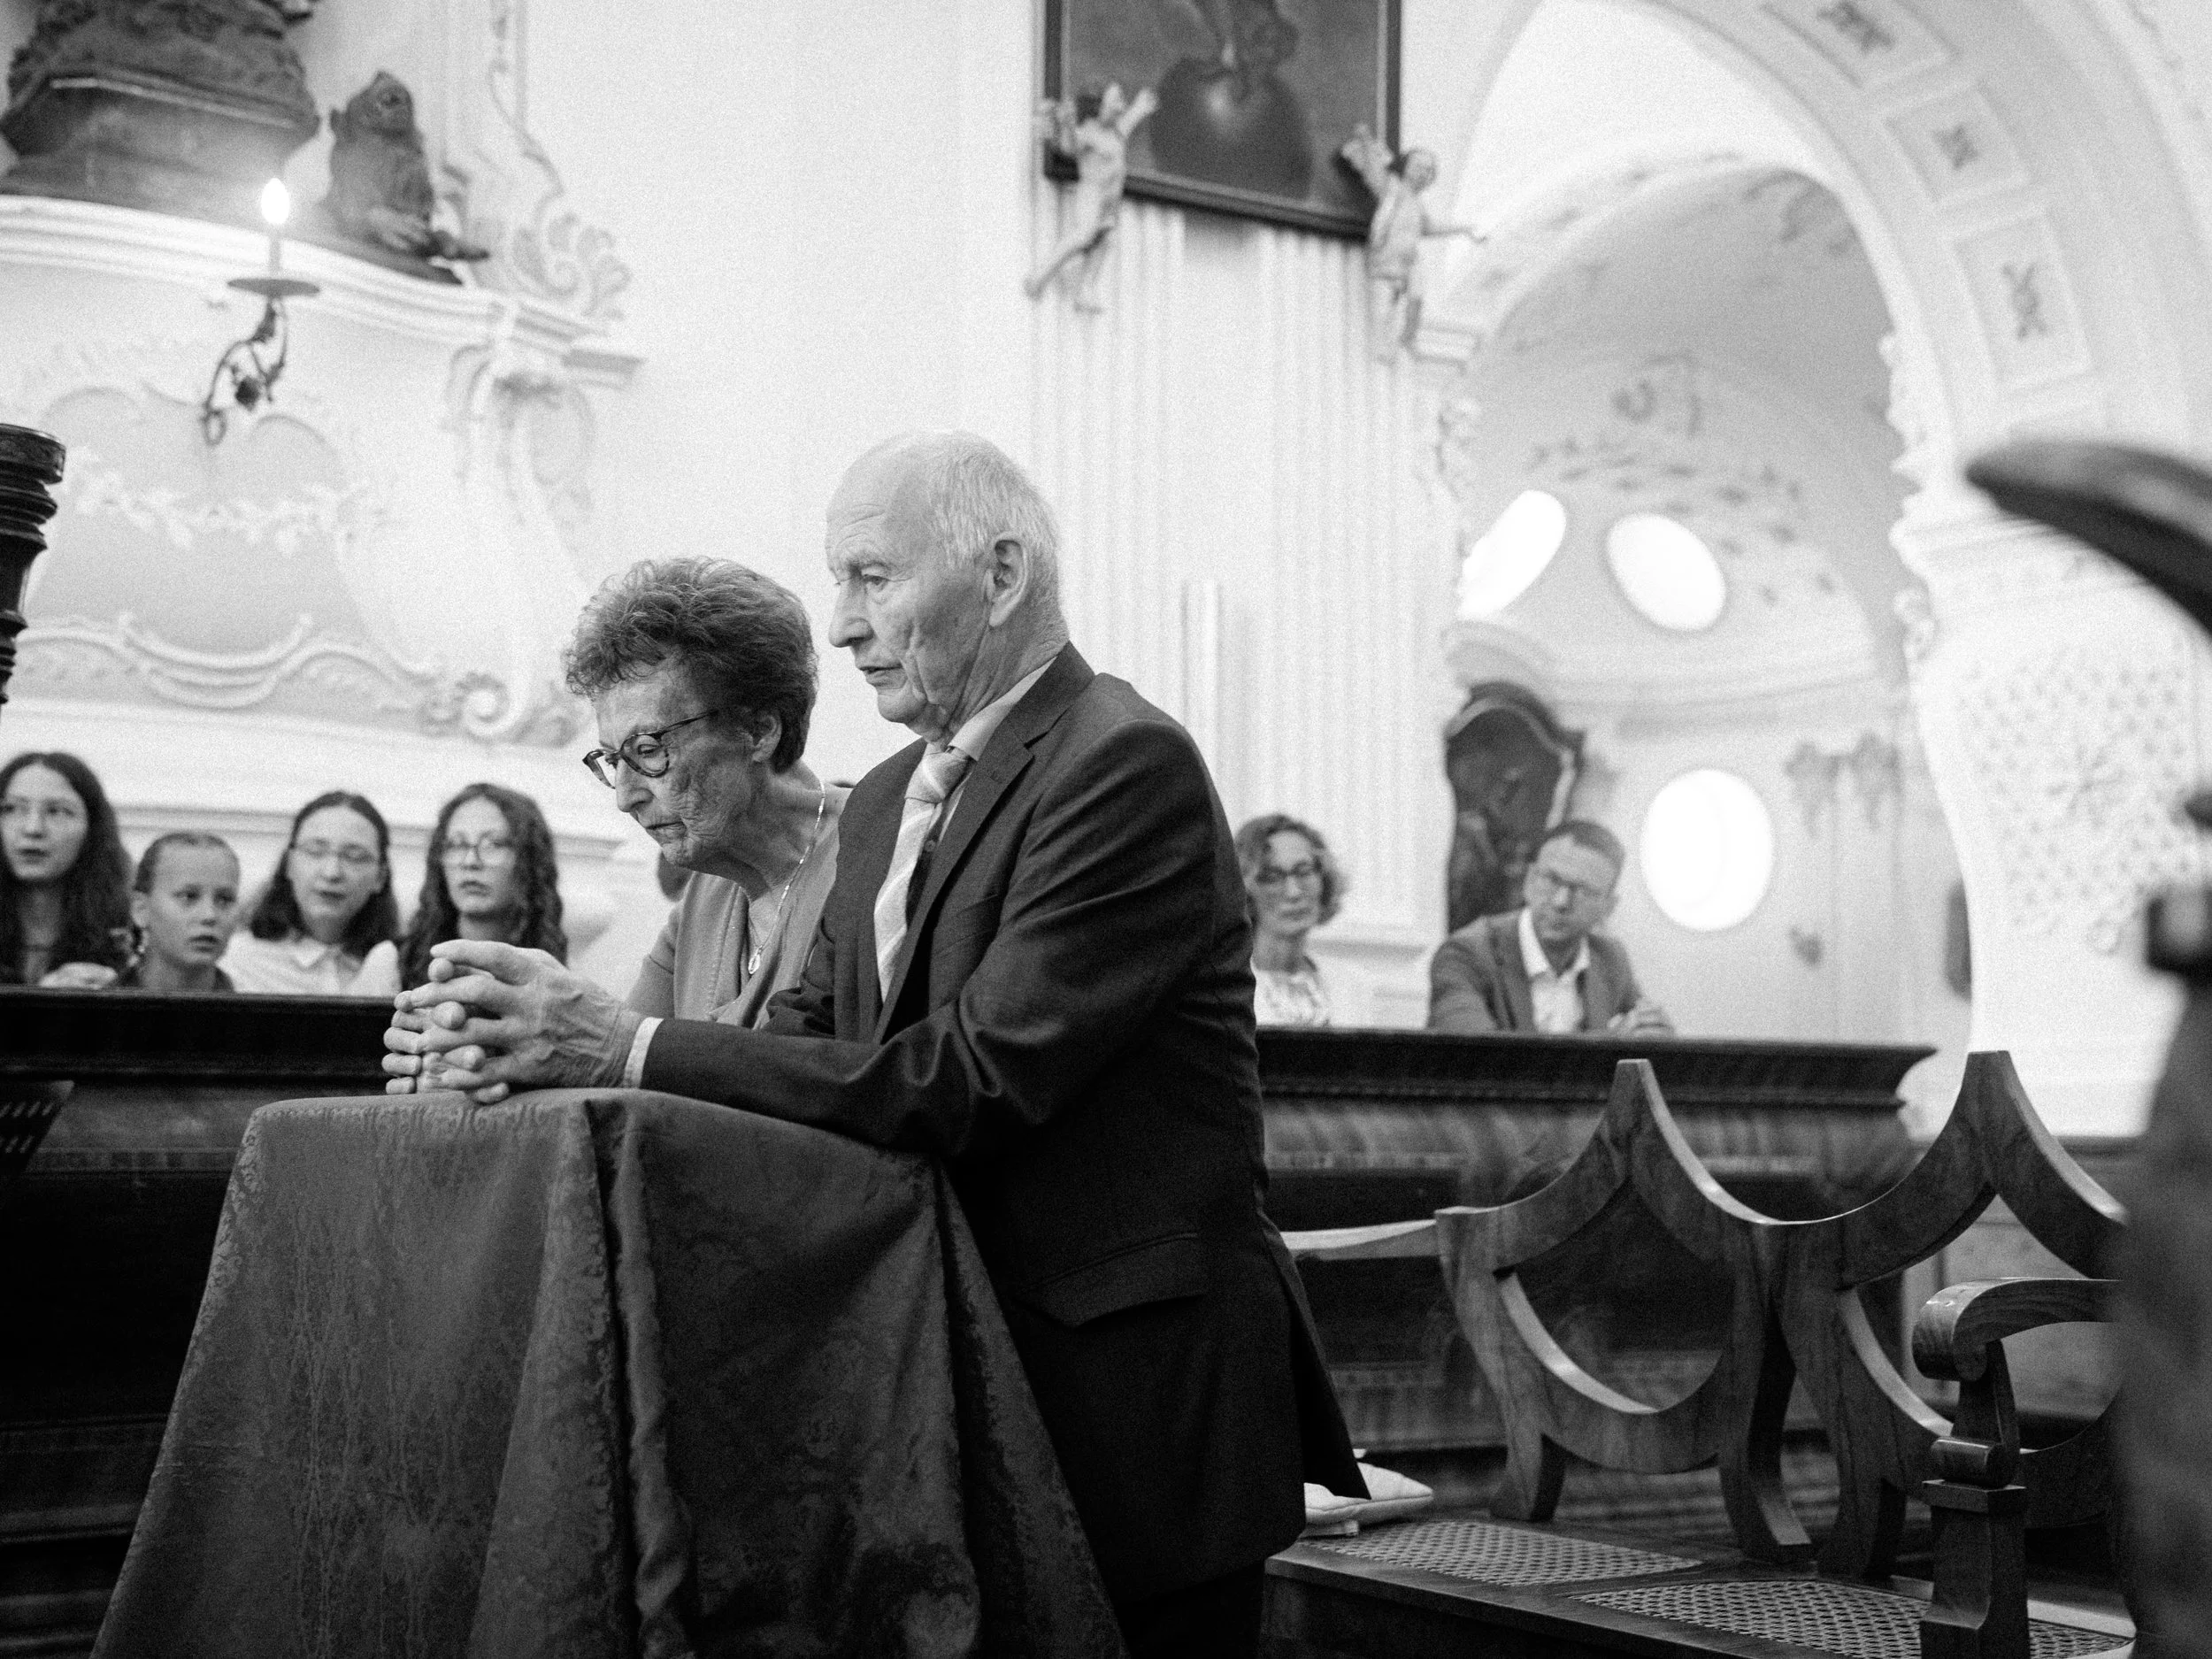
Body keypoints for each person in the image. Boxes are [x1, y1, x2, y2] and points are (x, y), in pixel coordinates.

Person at [384, 431, 1362, 1655]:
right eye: (838, 580)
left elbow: (973, 1077)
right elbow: (796, 1052)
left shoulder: (1124, 761)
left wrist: (617, 1047)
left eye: (870, 576)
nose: (839, 625)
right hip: (948, 1375)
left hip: (1124, 1397)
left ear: (1001, 575)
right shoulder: (898, 790)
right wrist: (525, 1059)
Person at [572, 557, 846, 1026]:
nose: (626, 796)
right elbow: (622, 1063)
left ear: (758, 730)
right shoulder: (705, 896)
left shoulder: (875, 855)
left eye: (649, 749)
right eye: (615, 761)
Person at [1427, 818, 1674, 1036]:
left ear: (1607, 907)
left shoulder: (1610, 960)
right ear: (1529, 880)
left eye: (1583, 891)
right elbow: (1477, 1060)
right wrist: (1611, 1045)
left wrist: (1653, 1038)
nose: (1561, 902)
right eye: (1552, 880)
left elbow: (1641, 1041)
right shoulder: (1465, 954)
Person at [224, 791, 401, 997]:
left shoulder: (401, 965)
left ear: (380, 877)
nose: (332, 872)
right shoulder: (235, 961)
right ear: (289, 863)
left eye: (354, 856)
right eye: (315, 851)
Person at [398, 784, 568, 989]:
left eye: (493, 844)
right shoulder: (394, 964)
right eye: (456, 844)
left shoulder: (560, 972)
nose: (470, 862)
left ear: (529, 860)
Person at [1339, 125, 1481, 357]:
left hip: (1408, 260)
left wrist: (1464, 229)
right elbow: (1374, 172)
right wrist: (1365, 141)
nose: (1423, 174)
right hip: (1387, 257)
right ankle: (1382, 345)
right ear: (1405, 168)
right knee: (1384, 303)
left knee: (1417, 294)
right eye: (1418, 167)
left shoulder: (1416, 203)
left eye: (1428, 170)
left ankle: (1408, 336)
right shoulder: (1393, 189)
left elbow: (1428, 227)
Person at [1, 750, 132, 987]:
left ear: (92, 829)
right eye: (12, 809)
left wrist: (124, 992)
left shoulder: (131, 937)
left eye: (57, 811)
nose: (33, 828)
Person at [1024, 81, 1158, 312]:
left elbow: (1130, 121)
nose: (1120, 106)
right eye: (1115, 100)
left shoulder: (1116, 132)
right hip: (1092, 194)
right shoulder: (1088, 133)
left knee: (1105, 240)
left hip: (1109, 201)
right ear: (1099, 107)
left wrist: (1140, 107)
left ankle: (1085, 291)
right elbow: (1069, 147)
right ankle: (1040, 276)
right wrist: (1065, 123)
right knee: (1083, 236)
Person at [1237, 811, 1348, 1026]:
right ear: (1246, 891)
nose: (1294, 892)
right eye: (1272, 878)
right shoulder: (1228, 988)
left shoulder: (1352, 985)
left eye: (1304, 871)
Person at [119, 833, 243, 992]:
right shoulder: (90, 1012)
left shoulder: (263, 1012)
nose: (209, 915)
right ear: (141, 909)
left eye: (224, 900)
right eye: (188, 897)